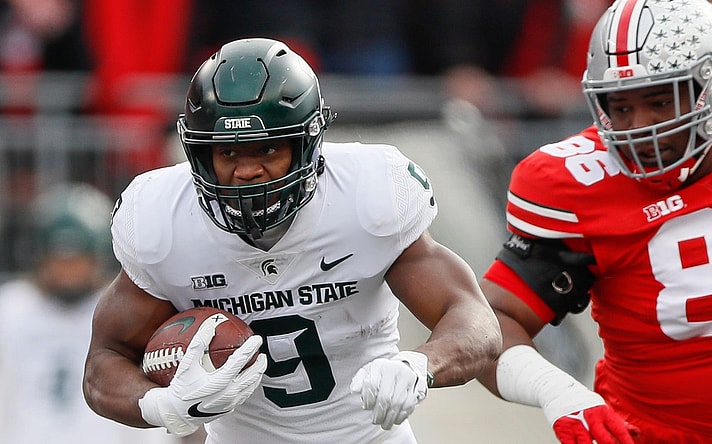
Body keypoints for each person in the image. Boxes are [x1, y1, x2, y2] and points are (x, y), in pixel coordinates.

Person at [82, 37, 502, 443]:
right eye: (228, 153)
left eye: (266, 150)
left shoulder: (369, 195)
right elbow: (104, 360)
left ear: (309, 143)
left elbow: (475, 320)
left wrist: (420, 364)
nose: (246, 171)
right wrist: (162, 405)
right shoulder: (162, 219)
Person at [476, 0, 712, 443]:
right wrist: (553, 389)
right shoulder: (576, 184)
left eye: (660, 101)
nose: (641, 128)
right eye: (620, 107)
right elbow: (489, 323)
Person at [0, 182, 175, 444]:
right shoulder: (12, 307)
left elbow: (145, 396)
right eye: (59, 260)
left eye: (78, 260)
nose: (68, 272)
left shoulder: (124, 309)